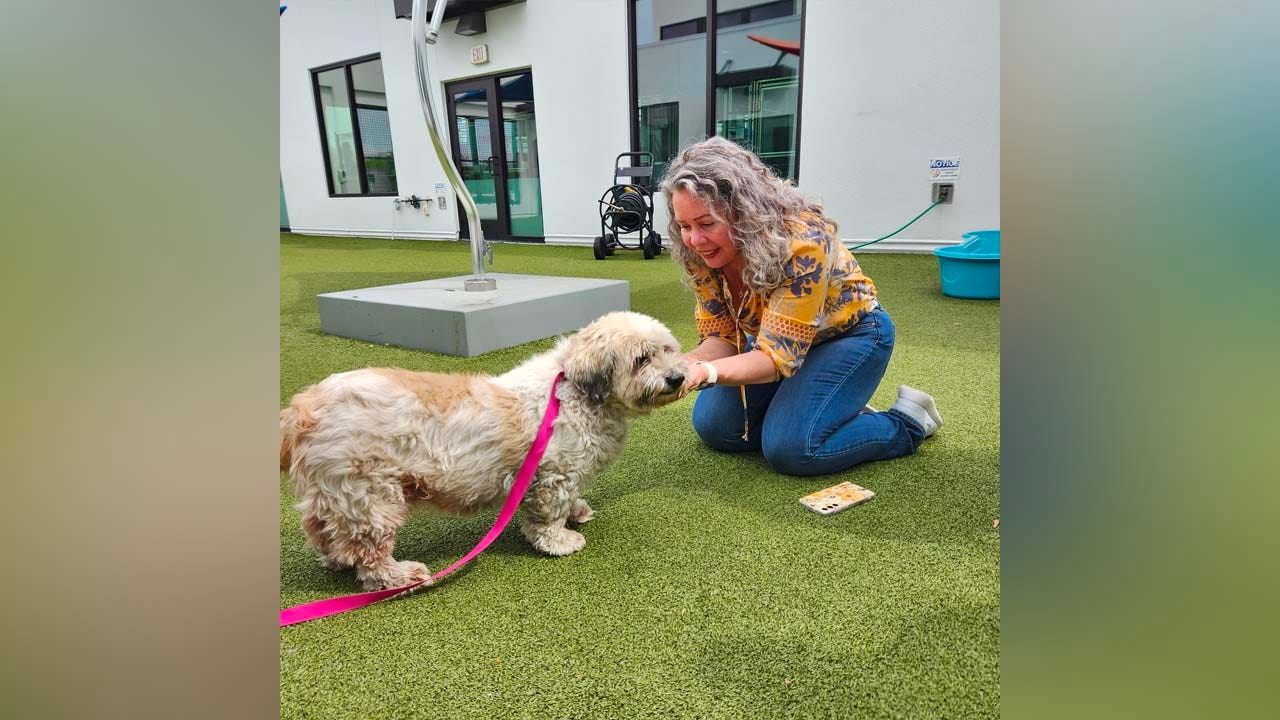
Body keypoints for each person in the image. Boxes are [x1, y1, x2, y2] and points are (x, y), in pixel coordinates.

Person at [660, 137, 943, 476]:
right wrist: (679, 366)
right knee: (718, 428)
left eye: (706, 224)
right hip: (773, 342)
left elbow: (776, 357)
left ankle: (907, 422)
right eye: (684, 226)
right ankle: (821, 407)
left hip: (850, 336)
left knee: (792, 449)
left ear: (744, 211)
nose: (694, 239)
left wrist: (705, 373)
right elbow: (721, 339)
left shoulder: (804, 241)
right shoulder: (700, 252)